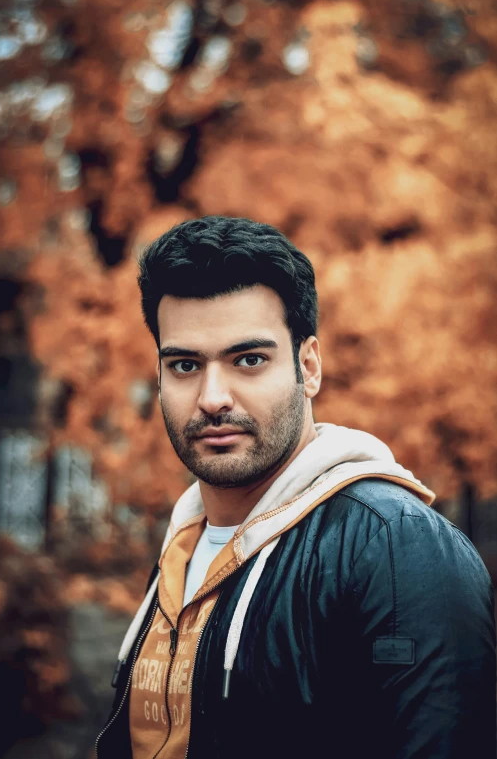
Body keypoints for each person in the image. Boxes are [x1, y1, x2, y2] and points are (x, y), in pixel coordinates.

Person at [96, 215, 496, 759]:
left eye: (249, 360)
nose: (213, 397)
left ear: (308, 368)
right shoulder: (184, 548)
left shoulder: (397, 546)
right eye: (186, 364)